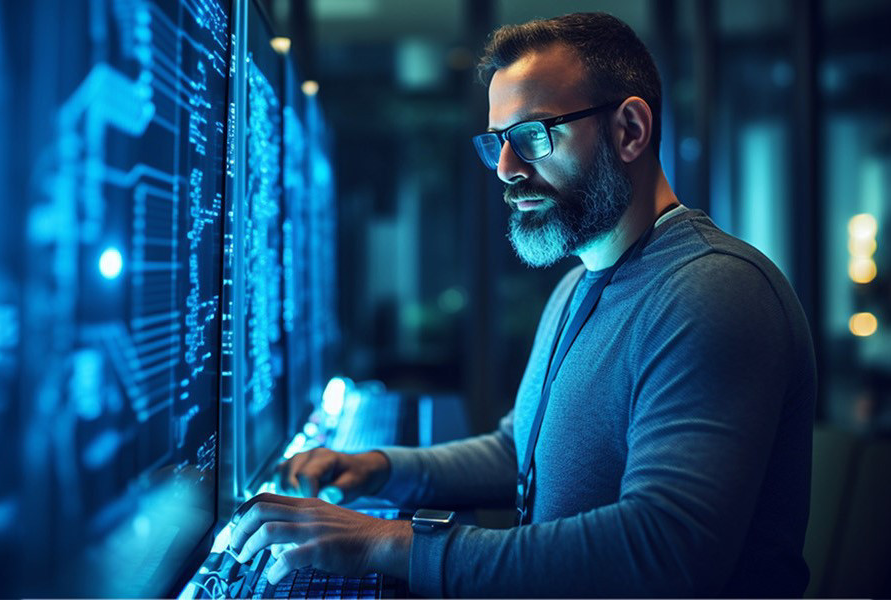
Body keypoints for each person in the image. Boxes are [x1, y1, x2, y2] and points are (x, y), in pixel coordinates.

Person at [228, 12, 817, 597]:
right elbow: (521, 452)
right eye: (497, 142)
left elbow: (663, 551)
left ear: (630, 130)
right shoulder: (577, 286)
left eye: (533, 135)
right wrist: (379, 469)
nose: (506, 169)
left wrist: (383, 543)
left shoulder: (713, 290)